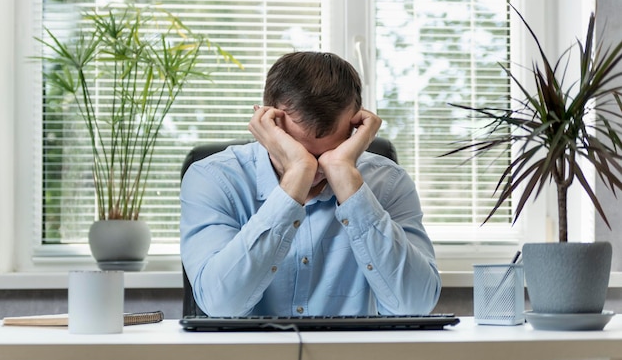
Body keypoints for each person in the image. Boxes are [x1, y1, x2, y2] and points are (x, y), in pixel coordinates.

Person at [180, 51, 441, 317]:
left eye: (327, 153)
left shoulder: (389, 182)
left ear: (355, 128)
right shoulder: (212, 178)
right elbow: (221, 305)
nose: (314, 167)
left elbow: (415, 305)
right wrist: (296, 177)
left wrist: (346, 178)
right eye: (299, 151)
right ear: (267, 124)